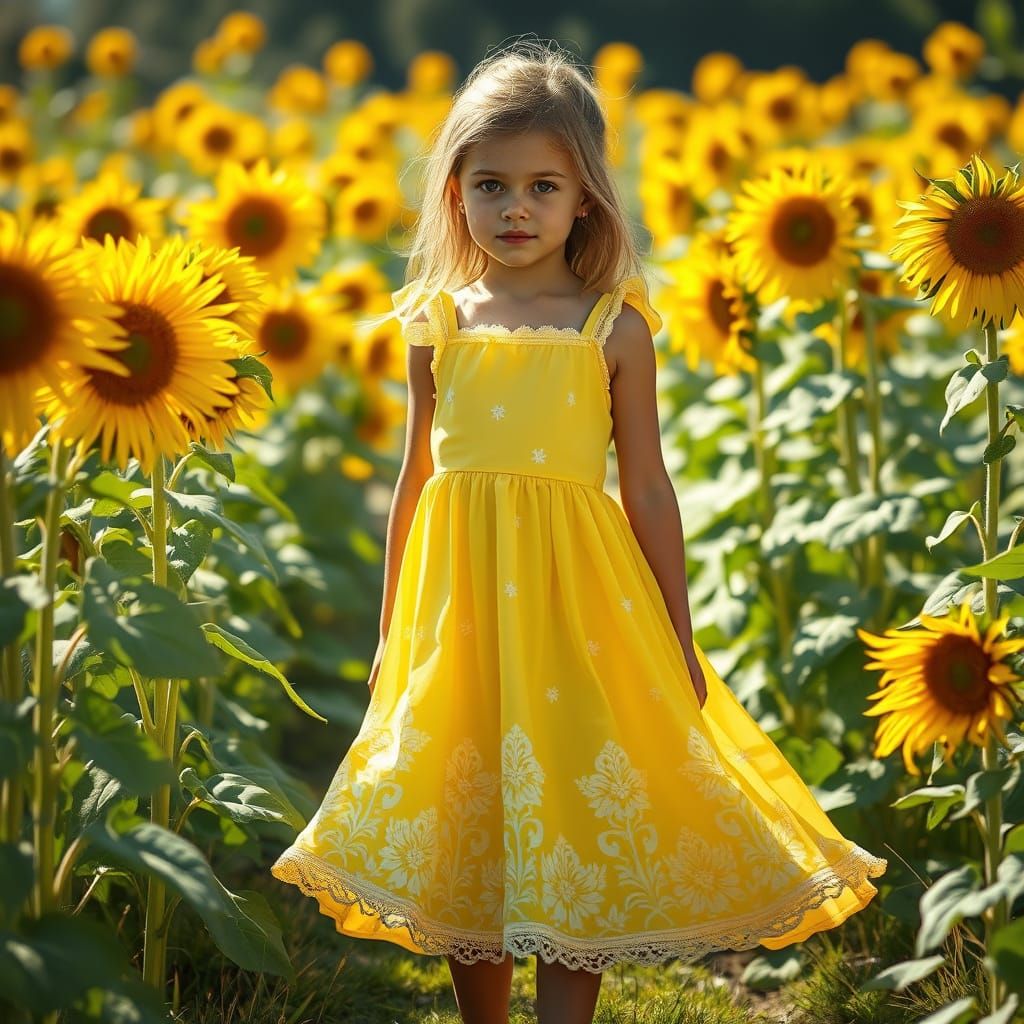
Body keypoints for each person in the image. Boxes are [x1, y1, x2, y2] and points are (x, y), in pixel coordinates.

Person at [270, 37, 888, 1024]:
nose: (515, 208)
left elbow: (647, 487)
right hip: (462, 609)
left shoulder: (614, 329)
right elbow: (415, 478)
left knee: (575, 812)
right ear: (454, 193)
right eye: (491, 185)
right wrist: (389, 629)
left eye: (543, 187)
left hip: (580, 604)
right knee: (466, 811)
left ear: (585, 199)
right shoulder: (435, 323)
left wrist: (677, 631)